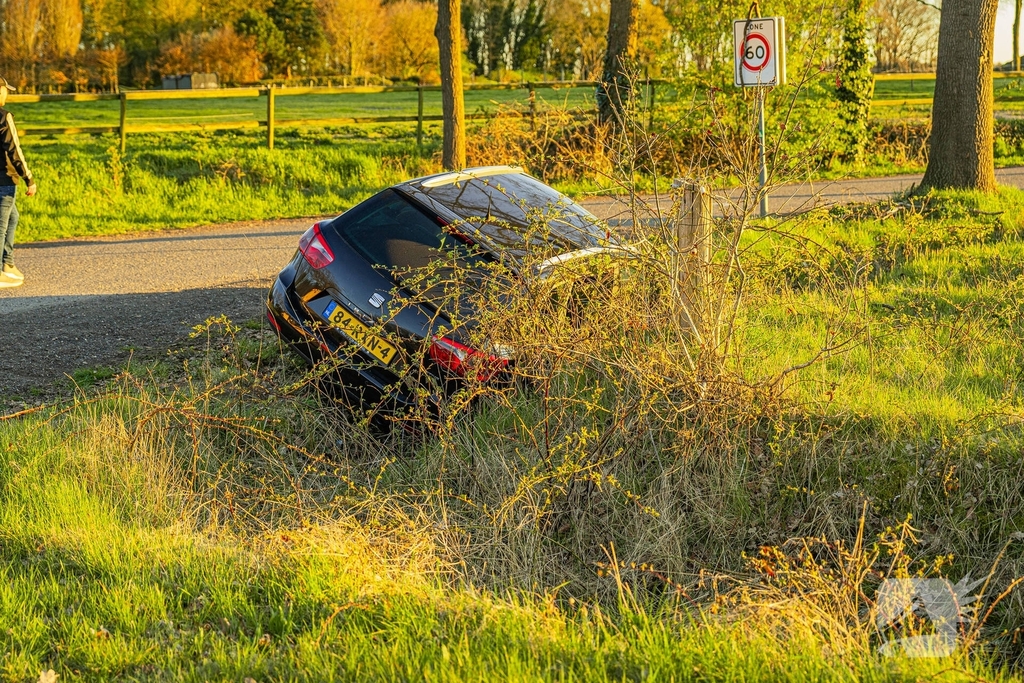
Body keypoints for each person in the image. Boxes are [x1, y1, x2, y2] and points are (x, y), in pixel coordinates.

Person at [0, 76, 36, 288]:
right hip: (4, 178)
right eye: (5, 90)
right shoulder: (4, 117)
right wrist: (28, 178)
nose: (7, 94)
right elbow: (14, 149)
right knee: (1, 225)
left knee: (13, 217)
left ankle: (8, 264)